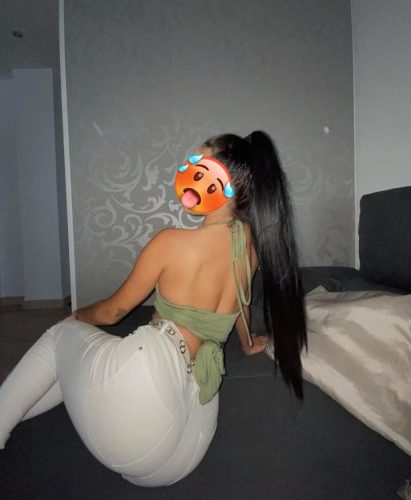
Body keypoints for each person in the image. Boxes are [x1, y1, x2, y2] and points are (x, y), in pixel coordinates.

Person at [0, 130, 307, 487]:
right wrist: (248, 342)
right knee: (66, 368)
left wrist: (76, 316)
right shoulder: (249, 247)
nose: (186, 173)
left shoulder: (171, 242)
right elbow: (241, 302)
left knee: (59, 337)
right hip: (179, 456)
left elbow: (113, 312)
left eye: (197, 166)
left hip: (139, 414)